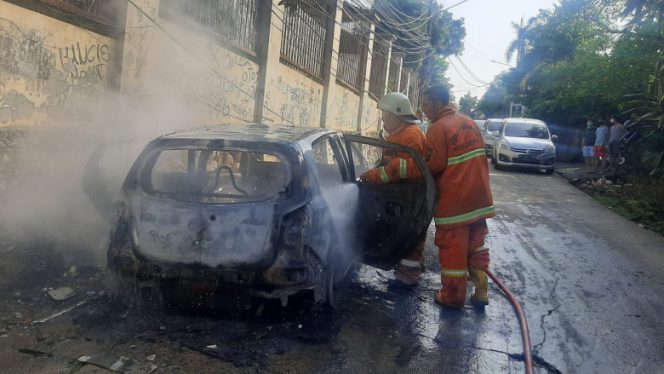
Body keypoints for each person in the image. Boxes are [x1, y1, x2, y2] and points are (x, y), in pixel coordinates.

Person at [363, 85, 495, 308]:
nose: (422, 110)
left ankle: (453, 297)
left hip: (456, 198)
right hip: (479, 195)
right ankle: (481, 287)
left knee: (452, 246)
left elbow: (429, 166)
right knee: (475, 242)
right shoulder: (468, 122)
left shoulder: (438, 128)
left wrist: (384, 173)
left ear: (437, 104)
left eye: (425, 105)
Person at [361, 92, 427, 286]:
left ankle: (408, 276)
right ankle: (406, 268)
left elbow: (409, 168)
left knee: (412, 235)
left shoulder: (411, 135)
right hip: (400, 193)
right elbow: (389, 163)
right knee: (403, 232)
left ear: (398, 115)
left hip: (411, 193)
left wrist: (375, 176)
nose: (382, 119)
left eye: (386, 115)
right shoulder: (397, 134)